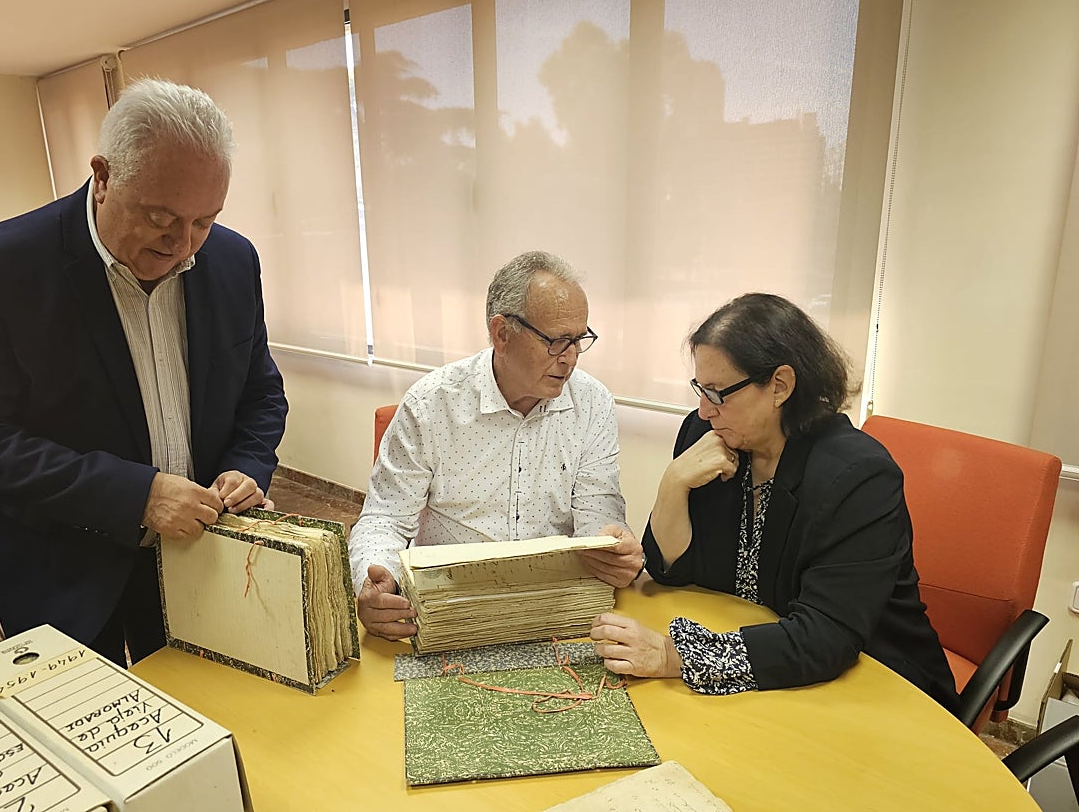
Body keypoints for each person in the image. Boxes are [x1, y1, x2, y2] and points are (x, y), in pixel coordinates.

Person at [0, 79, 288, 666]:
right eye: (160, 217)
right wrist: (136, 495)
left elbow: (260, 390)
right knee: (81, 745)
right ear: (103, 176)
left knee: (208, 732)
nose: (183, 245)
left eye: (204, 220)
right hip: (58, 572)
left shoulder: (231, 259)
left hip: (200, 558)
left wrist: (246, 468)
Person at [590, 293, 958, 711]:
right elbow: (670, 572)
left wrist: (674, 656)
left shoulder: (859, 476)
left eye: (717, 393)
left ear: (780, 385)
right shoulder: (708, 435)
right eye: (700, 389)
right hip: (766, 675)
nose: (703, 410)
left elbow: (825, 638)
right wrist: (673, 484)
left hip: (877, 686)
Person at [349, 252, 643, 640]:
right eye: (556, 341)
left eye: (579, 340)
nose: (570, 359)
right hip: (450, 606)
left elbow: (598, 511)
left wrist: (613, 547)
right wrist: (376, 583)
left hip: (552, 610)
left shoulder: (592, 403)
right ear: (502, 334)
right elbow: (383, 519)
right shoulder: (432, 404)